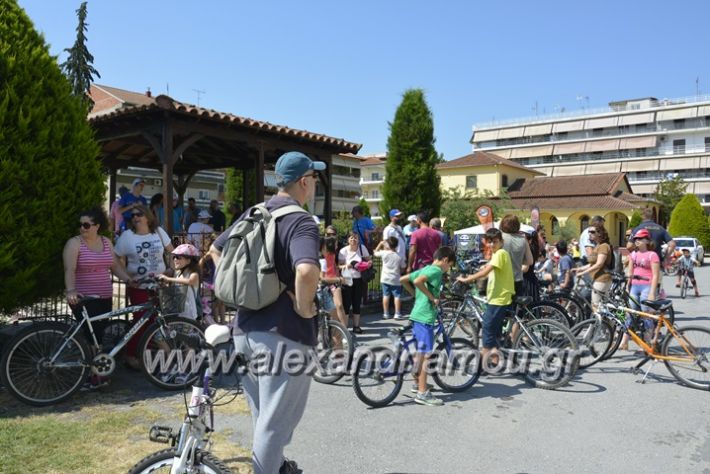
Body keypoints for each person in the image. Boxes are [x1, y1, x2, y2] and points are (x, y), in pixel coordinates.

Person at [209, 151, 322, 474]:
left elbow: (216, 250)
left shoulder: (253, 214)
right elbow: (306, 271)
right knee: (273, 427)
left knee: (263, 421)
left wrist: (247, 289)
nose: (314, 185)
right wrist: (302, 307)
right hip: (284, 335)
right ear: (303, 182)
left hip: (244, 330)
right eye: (314, 178)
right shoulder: (300, 220)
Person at [63, 207, 133, 389]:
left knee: (99, 336)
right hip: (83, 297)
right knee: (90, 335)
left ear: (97, 226)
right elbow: (69, 269)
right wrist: (70, 290)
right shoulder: (74, 243)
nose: (82, 228)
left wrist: (129, 280)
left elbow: (115, 266)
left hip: (104, 295)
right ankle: (90, 374)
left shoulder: (106, 242)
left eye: (86, 225)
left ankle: (96, 374)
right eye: (80, 225)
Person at [114, 204, 174, 369]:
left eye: (138, 214)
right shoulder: (127, 236)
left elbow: (172, 252)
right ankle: (132, 354)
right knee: (140, 321)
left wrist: (170, 268)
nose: (135, 217)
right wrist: (126, 275)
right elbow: (115, 257)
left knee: (155, 322)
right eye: (132, 215)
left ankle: (145, 355)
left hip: (160, 285)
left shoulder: (159, 232)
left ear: (147, 216)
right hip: (138, 286)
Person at [401, 246, 456, 406]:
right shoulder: (436, 271)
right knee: (426, 355)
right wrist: (432, 298)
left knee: (420, 351)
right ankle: (423, 393)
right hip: (425, 316)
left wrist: (416, 295)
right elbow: (418, 282)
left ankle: (418, 383)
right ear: (445, 260)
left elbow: (404, 280)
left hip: (417, 314)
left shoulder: (425, 268)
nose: (448, 269)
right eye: (450, 265)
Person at [457, 228, 514, 373]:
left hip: (498, 299)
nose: (492, 244)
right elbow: (489, 267)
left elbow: (486, 271)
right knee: (494, 332)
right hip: (498, 297)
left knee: (487, 329)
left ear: (501, 241)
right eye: (490, 242)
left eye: (495, 241)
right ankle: (495, 361)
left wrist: (468, 279)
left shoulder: (500, 253)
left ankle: (480, 366)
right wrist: (483, 266)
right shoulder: (499, 254)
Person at [620, 229, 661, 350]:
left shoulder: (652, 255)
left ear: (647, 240)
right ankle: (624, 341)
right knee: (630, 314)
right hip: (634, 287)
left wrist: (652, 292)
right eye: (635, 239)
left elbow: (655, 275)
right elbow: (630, 272)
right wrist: (628, 284)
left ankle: (647, 342)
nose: (637, 241)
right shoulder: (633, 255)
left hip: (647, 286)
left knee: (646, 315)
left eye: (640, 239)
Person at [157, 244, 201, 320]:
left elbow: (190, 281)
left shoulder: (193, 274)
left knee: (187, 331)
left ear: (188, 261)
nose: (175, 260)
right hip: (177, 311)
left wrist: (168, 279)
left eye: (178, 257)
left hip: (189, 313)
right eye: (174, 257)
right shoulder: (177, 273)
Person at [575, 223, 612, 309]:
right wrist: (580, 269)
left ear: (599, 233)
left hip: (602, 280)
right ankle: (606, 322)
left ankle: (600, 322)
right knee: (602, 307)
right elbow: (592, 264)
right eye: (589, 232)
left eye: (592, 232)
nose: (589, 234)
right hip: (598, 279)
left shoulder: (603, 246)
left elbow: (599, 264)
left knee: (596, 307)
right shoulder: (598, 246)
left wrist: (583, 272)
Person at [339, 232, 370, 334]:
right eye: (351, 238)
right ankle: (345, 328)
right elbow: (338, 266)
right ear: (348, 240)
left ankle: (356, 326)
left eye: (355, 238)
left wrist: (364, 265)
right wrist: (346, 266)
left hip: (359, 279)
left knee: (357, 303)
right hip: (347, 280)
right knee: (346, 304)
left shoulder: (362, 248)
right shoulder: (343, 251)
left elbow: (369, 261)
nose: (353, 240)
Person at [499, 214, 533, 296]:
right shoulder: (523, 240)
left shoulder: (499, 239)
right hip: (517, 279)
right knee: (515, 307)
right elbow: (530, 261)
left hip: (502, 280)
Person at [319, 236, 348, 328]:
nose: (337, 245)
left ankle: (344, 329)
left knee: (339, 305)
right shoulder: (322, 257)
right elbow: (322, 276)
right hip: (327, 282)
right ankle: (335, 329)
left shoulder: (333, 254)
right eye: (335, 244)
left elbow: (334, 266)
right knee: (331, 309)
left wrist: (338, 275)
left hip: (334, 282)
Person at [374, 236, 405, 320]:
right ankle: (397, 313)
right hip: (396, 278)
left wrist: (380, 244)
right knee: (397, 296)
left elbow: (375, 252)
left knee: (386, 295)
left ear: (388, 245)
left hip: (385, 278)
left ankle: (386, 313)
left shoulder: (384, 253)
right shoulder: (400, 255)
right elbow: (403, 267)